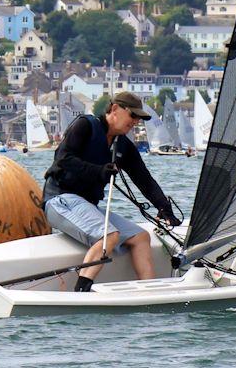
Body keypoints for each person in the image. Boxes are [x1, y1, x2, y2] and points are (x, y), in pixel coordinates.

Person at [43, 91, 181, 292]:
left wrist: (164, 208)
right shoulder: (85, 125)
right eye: (133, 116)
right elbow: (63, 159)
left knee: (141, 237)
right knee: (109, 235)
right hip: (59, 201)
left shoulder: (123, 145)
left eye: (139, 119)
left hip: (87, 206)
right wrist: (98, 171)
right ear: (115, 109)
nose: (135, 122)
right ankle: (81, 290)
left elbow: (144, 180)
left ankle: (150, 293)